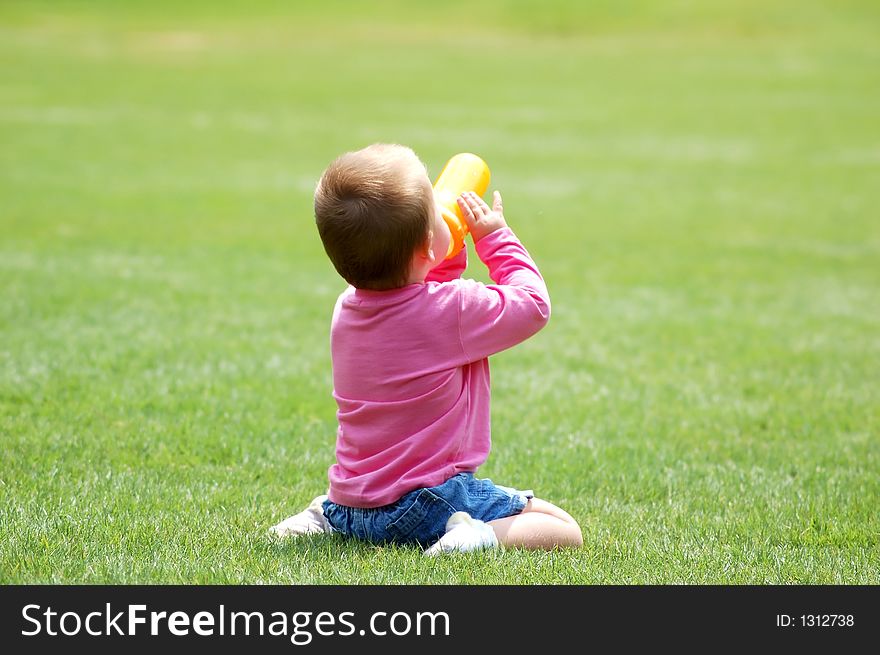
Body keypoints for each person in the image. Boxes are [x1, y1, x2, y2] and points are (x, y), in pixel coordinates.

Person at [270, 143, 582, 555]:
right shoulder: (450, 311)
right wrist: (495, 238)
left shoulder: (347, 309)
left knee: (353, 503)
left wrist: (440, 248)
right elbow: (533, 305)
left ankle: (324, 519)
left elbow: (422, 296)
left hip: (353, 502)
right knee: (562, 529)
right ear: (426, 245)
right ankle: (475, 537)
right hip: (425, 504)